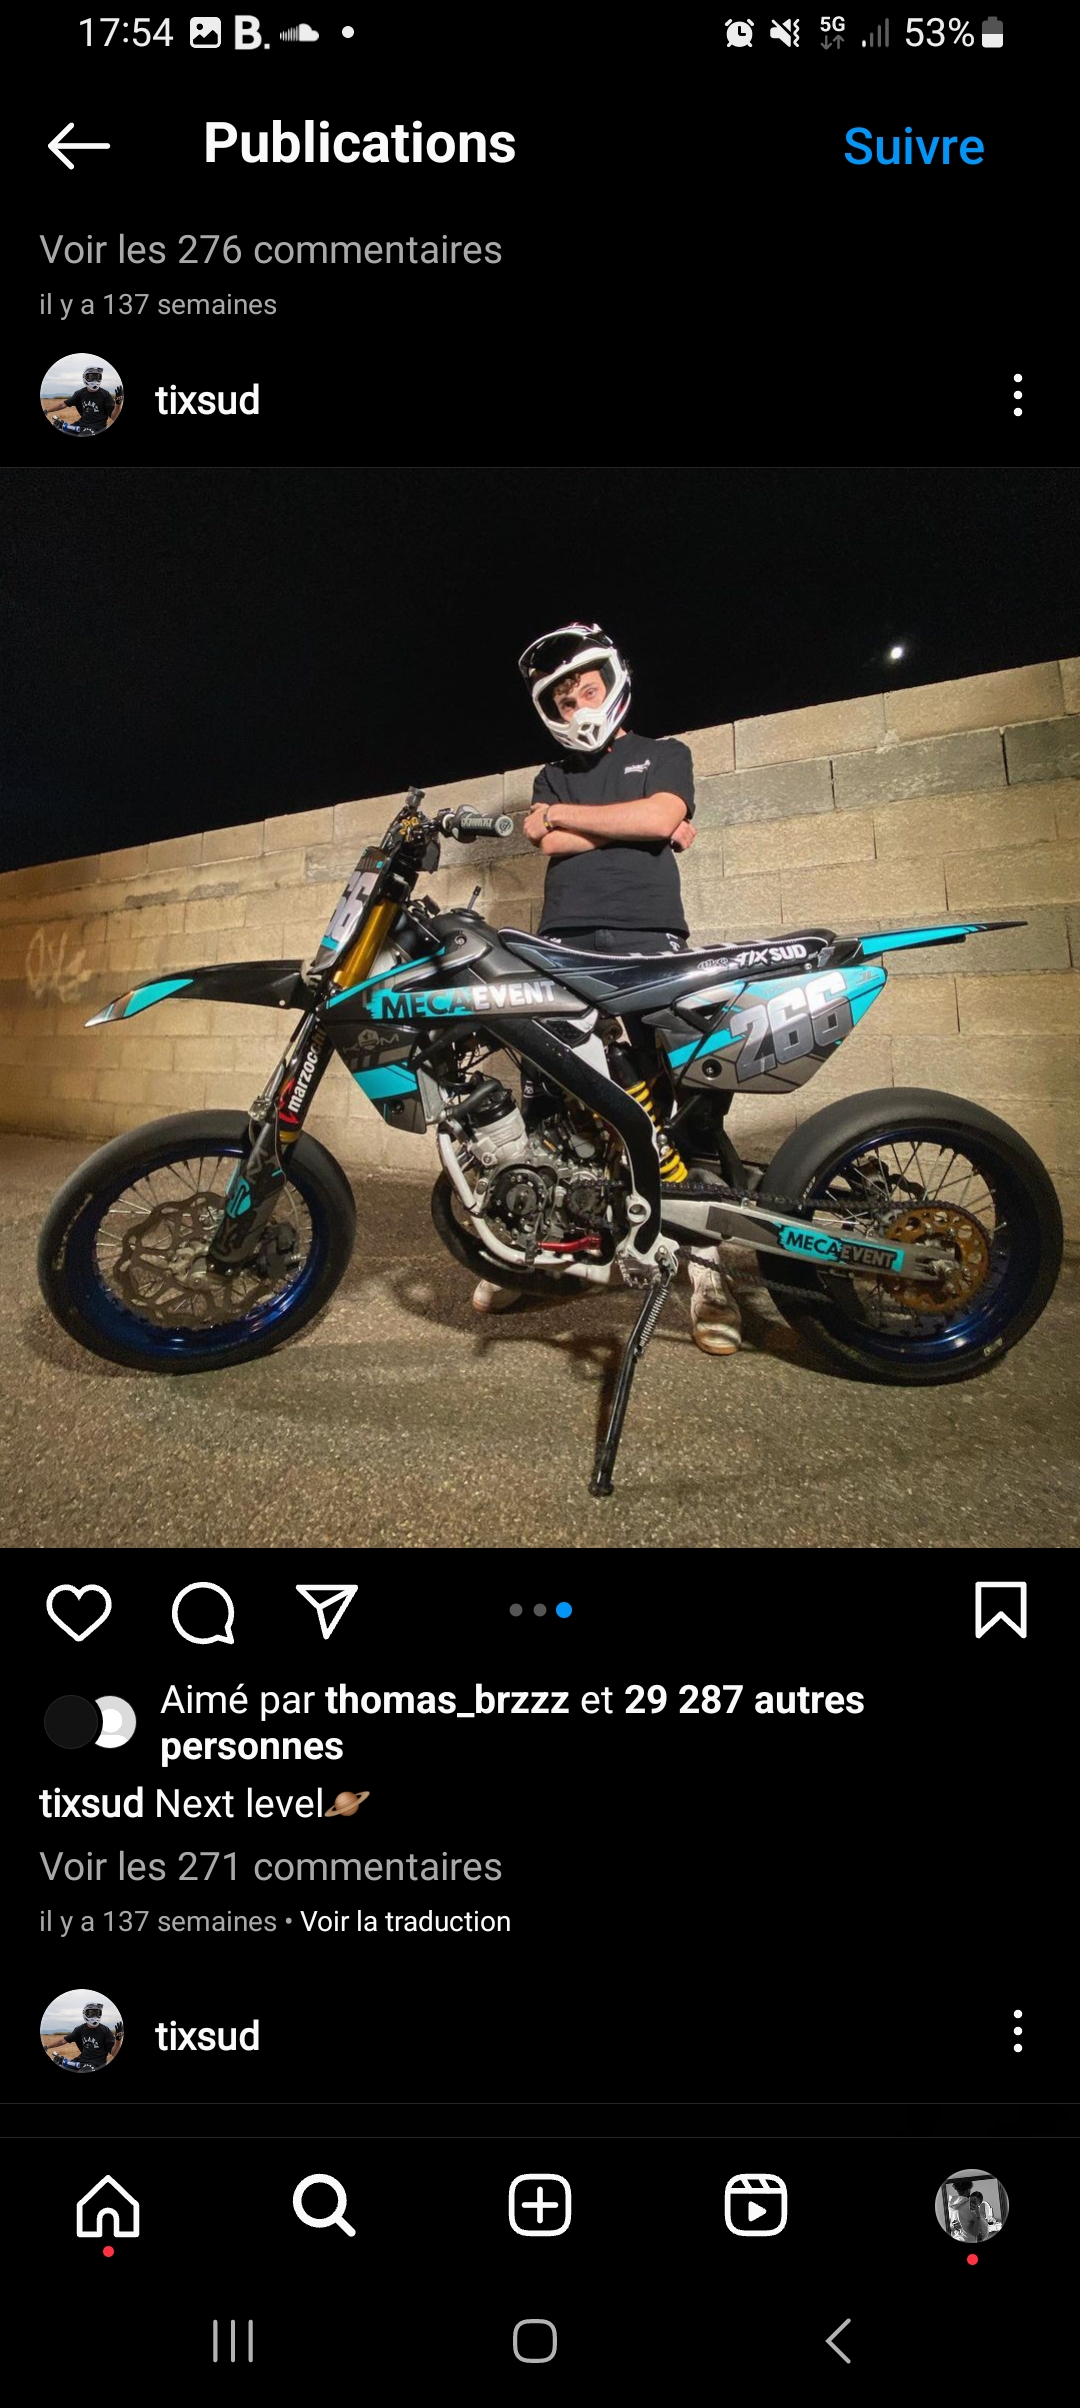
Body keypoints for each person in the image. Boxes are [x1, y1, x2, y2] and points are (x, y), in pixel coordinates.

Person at [471, 622, 741, 1353]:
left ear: (612, 684)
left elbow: (659, 815)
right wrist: (631, 825)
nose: (578, 704)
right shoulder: (552, 773)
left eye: (587, 689)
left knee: (680, 1104)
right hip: (562, 945)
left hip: (651, 941)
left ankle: (707, 1270)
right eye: (565, 699)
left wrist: (601, 820)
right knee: (554, 1101)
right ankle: (537, 1254)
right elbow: (550, 838)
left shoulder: (665, 753)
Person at [41, 2001, 120, 2071]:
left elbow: (114, 2053)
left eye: (97, 2013)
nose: (95, 2017)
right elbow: (62, 2041)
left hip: (97, 2064)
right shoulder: (80, 2029)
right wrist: (47, 2047)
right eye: (92, 2013)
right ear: (85, 2013)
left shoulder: (105, 2030)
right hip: (81, 2060)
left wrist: (118, 2040)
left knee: (83, 2071)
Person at [42, 366, 119, 436]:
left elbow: (114, 417)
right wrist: (47, 410)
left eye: (98, 377)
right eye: (92, 377)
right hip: (81, 424)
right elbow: (62, 405)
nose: (95, 380)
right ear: (85, 377)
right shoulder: (80, 393)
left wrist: (118, 404)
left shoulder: (105, 394)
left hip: (97, 427)